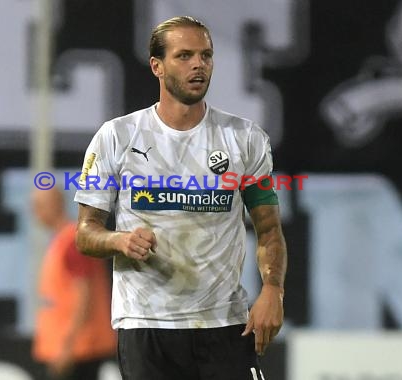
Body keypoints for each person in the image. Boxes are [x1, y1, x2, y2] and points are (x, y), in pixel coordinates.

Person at [74, 16, 287, 380]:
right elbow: (85, 233)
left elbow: (268, 229)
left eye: (206, 55)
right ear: (157, 66)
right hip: (147, 325)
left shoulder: (244, 139)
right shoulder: (117, 137)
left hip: (224, 322)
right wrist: (119, 240)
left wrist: (273, 290)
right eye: (184, 55)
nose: (198, 65)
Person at [31, 187, 117, 380]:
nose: (34, 211)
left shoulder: (71, 241)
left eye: (38, 205)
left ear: (56, 205)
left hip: (80, 349)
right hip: (77, 347)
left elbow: (84, 295)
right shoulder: (65, 239)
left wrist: (67, 347)